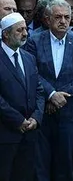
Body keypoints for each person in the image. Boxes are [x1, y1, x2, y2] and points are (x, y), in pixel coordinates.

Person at [24, 0, 73, 181]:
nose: (63, 21)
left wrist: (59, 97)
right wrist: (51, 94)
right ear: (48, 19)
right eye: (58, 17)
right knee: (40, 164)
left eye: (67, 17)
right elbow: (32, 72)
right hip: (42, 111)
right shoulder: (34, 41)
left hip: (69, 112)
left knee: (65, 164)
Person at [0, 13, 44, 181]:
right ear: (6, 34)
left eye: (25, 29)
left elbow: (39, 90)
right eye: (19, 30)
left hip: (29, 134)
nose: (25, 33)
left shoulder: (28, 58)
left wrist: (36, 117)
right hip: (5, 134)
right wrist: (18, 120)